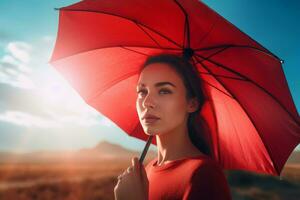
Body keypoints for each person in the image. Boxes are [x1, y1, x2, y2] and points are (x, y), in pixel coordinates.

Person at [114, 53, 232, 200]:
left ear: (192, 104)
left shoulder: (204, 175)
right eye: (142, 91)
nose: (147, 102)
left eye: (164, 91)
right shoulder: (145, 171)